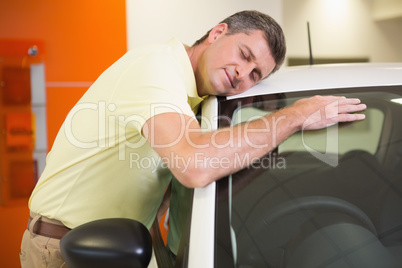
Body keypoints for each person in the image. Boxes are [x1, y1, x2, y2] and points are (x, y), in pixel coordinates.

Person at [20, 10, 366, 267]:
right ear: (217, 33)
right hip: (64, 250)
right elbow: (196, 164)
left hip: (121, 247)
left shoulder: (200, 103)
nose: (242, 75)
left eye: (255, 75)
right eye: (244, 55)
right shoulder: (156, 68)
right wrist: (296, 115)